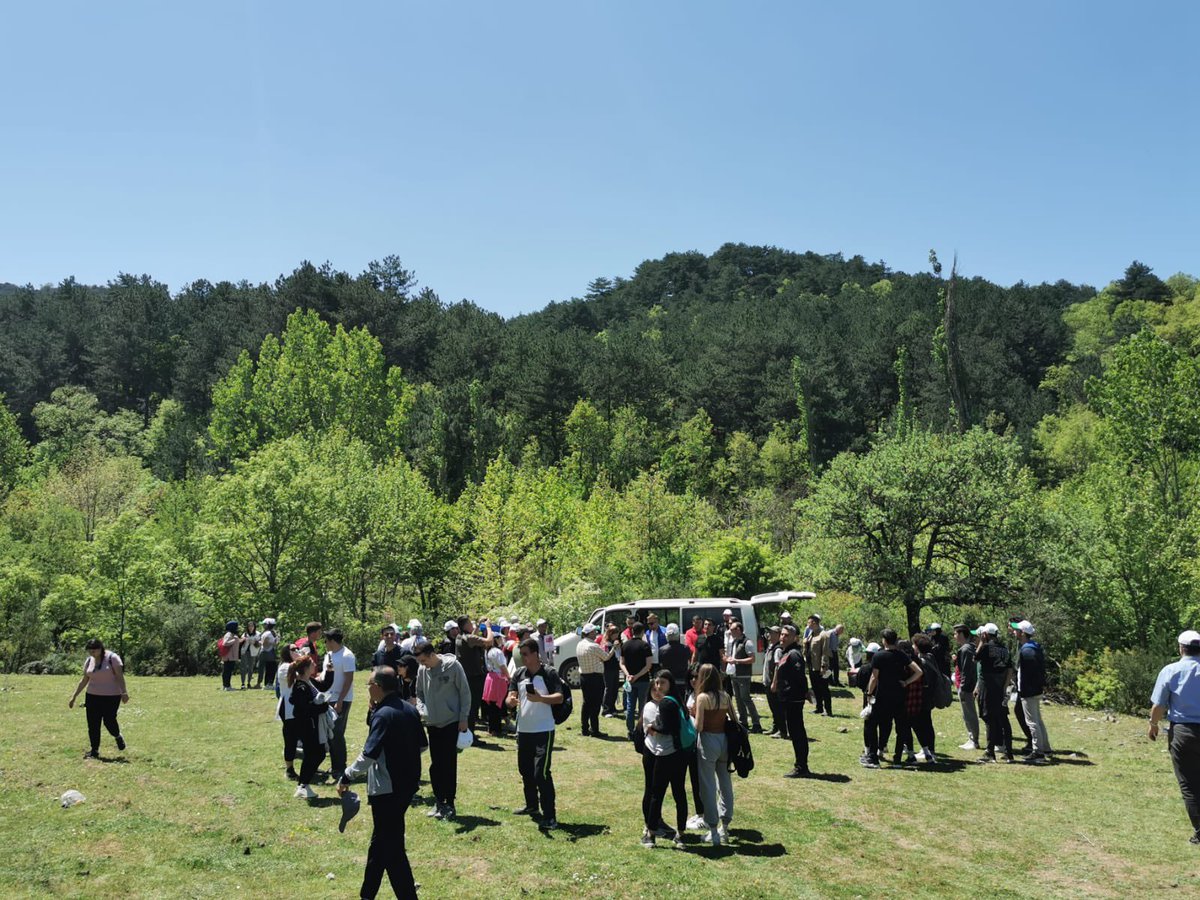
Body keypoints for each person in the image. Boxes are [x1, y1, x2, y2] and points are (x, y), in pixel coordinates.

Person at [338, 666, 424, 899]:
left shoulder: (383, 715)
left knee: (392, 849)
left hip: (387, 790)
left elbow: (369, 755)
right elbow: (422, 746)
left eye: (369, 684)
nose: (368, 689)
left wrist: (346, 776)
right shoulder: (409, 709)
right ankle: (367, 894)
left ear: (377, 687)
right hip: (407, 785)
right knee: (381, 842)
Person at [1148, 630, 1200, 845]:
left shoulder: (1171, 670)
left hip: (1183, 732)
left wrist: (1153, 725)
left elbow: (1159, 705)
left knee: (1189, 783)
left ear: (1181, 648)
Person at [507, 637, 564, 830]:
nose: (522, 658)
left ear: (535, 654)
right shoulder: (519, 674)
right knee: (526, 770)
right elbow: (509, 697)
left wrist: (541, 698)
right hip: (524, 730)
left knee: (541, 773)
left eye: (525, 654)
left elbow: (559, 697)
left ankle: (550, 816)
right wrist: (510, 700)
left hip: (543, 730)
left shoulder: (549, 673)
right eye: (520, 654)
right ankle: (532, 805)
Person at [412, 638, 470, 821]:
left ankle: (450, 803)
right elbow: (419, 693)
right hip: (432, 724)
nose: (422, 665)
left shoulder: (453, 666)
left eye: (424, 660)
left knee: (448, 764)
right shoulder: (422, 670)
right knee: (436, 765)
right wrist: (421, 709)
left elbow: (465, 693)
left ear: (432, 655)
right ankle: (439, 801)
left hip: (451, 722)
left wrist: (463, 718)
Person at [640, 670, 689, 850]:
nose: (659, 688)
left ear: (670, 684)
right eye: (656, 684)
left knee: (662, 793)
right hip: (671, 753)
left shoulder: (669, 703)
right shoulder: (673, 703)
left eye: (663, 683)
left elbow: (664, 728)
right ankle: (672, 833)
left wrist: (653, 726)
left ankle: (655, 834)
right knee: (671, 793)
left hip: (669, 754)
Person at [863, 629, 923, 769]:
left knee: (872, 724)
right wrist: (906, 682)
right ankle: (897, 759)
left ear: (884, 640)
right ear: (895, 640)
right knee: (900, 728)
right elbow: (919, 671)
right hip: (899, 695)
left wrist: (869, 693)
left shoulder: (878, 656)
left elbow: (874, 677)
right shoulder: (901, 655)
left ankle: (873, 757)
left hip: (882, 696)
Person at [691, 663, 734, 845]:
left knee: (707, 785)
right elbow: (734, 719)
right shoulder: (725, 696)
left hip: (708, 740)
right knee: (725, 783)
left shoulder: (702, 697)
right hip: (724, 740)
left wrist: (692, 715)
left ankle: (713, 830)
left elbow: (699, 726)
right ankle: (725, 826)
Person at [69, 638, 129, 759]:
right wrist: (74, 696)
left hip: (111, 696)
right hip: (92, 696)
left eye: (94, 651)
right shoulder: (89, 660)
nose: (92, 653)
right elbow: (84, 679)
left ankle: (117, 736)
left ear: (101, 648)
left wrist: (124, 692)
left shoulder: (113, 658)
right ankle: (94, 750)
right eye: (90, 651)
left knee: (109, 721)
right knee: (93, 724)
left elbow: (120, 677)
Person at [288, 654, 332, 799]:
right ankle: (303, 785)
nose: (315, 665)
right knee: (315, 754)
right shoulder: (300, 686)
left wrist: (330, 671)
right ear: (306, 668)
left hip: (313, 725)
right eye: (312, 663)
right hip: (306, 726)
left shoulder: (309, 681)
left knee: (316, 753)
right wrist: (323, 707)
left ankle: (303, 784)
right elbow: (304, 708)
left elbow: (324, 686)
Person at [771, 624, 813, 777]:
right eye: (782, 634)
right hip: (788, 698)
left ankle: (801, 767)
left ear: (794, 638)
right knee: (795, 732)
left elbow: (800, 677)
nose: (782, 637)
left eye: (786, 635)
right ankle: (800, 765)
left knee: (797, 733)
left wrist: (803, 693)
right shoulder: (786, 652)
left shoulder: (794, 654)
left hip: (794, 699)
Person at [973, 623, 1015, 763]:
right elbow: (1010, 669)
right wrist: (1005, 686)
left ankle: (990, 752)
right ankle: (1009, 752)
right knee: (1003, 719)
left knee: (989, 718)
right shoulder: (1004, 649)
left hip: (988, 687)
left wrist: (981, 643)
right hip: (1000, 687)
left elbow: (975, 658)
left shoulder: (986, 647)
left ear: (985, 634)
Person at [1011, 620, 1052, 762]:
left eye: (1017, 630)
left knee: (1032, 722)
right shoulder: (1034, 647)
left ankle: (1038, 751)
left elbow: (1030, 673)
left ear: (1022, 633)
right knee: (1038, 721)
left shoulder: (1027, 650)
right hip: (1035, 689)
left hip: (1029, 690)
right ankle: (1046, 748)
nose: (1014, 632)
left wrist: (1025, 689)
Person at [320, 628, 356, 781]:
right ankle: (335, 766)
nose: (325, 643)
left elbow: (348, 679)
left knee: (337, 733)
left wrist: (340, 700)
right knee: (330, 733)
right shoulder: (329, 654)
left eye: (326, 640)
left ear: (333, 641)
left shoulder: (347, 655)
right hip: (328, 698)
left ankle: (341, 768)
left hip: (341, 699)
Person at [723, 621, 762, 732]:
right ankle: (743, 722)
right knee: (738, 700)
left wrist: (736, 661)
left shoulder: (747, 642)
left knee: (746, 698)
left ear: (739, 630)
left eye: (732, 630)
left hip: (743, 675)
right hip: (734, 674)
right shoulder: (735, 641)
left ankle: (756, 723)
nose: (730, 632)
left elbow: (752, 659)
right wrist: (728, 659)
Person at [576, 623, 613, 737]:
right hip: (595, 677)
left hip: (584, 676)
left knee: (586, 703)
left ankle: (585, 728)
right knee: (596, 704)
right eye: (594, 632)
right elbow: (606, 657)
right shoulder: (593, 646)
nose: (596, 633)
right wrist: (614, 648)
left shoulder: (580, 644)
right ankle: (594, 730)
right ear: (590, 633)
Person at [455, 616, 490, 734]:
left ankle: (468, 732)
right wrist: (489, 628)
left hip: (466, 676)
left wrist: (479, 625)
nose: (472, 625)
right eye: (470, 623)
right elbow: (489, 641)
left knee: (468, 706)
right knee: (473, 707)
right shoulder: (469, 638)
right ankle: (470, 734)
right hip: (474, 678)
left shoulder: (460, 637)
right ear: (465, 625)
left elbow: (473, 638)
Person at [909, 633, 939, 763]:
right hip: (930, 696)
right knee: (927, 723)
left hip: (923, 696)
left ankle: (928, 749)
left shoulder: (922, 661)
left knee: (922, 723)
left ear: (917, 646)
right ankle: (930, 749)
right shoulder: (931, 657)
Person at [622, 622, 653, 735]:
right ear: (642, 632)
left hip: (629, 680)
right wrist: (637, 676)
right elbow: (648, 665)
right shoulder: (645, 646)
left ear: (632, 631)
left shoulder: (625, 645)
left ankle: (630, 730)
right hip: (643, 680)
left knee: (630, 706)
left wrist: (628, 675)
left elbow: (622, 663)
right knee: (642, 707)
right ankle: (641, 730)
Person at [275, 643, 300, 780]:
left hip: (297, 706)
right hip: (288, 707)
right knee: (290, 738)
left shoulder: (295, 665)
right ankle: (289, 769)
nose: (297, 651)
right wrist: (302, 659)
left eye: (297, 648)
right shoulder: (284, 666)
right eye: (293, 649)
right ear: (286, 652)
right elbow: (297, 676)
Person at [953, 624, 980, 751]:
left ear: (961, 634)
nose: (954, 636)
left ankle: (974, 740)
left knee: (969, 714)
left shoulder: (966, 649)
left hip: (967, 687)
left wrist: (963, 687)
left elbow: (967, 670)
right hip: (967, 686)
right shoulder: (969, 648)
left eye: (955, 634)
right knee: (967, 714)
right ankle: (971, 738)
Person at [482, 630, 510, 737]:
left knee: (492, 705)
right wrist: (509, 677)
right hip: (498, 678)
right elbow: (502, 666)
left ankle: (492, 728)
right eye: (500, 638)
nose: (501, 640)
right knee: (497, 704)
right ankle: (496, 729)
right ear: (496, 640)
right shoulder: (497, 651)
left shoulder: (488, 651)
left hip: (490, 677)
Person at [804, 615, 833, 715]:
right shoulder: (811, 634)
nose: (807, 625)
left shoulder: (823, 635)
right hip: (812, 666)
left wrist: (823, 666)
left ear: (814, 623)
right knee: (815, 688)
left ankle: (828, 710)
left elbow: (825, 652)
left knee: (824, 689)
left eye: (809, 622)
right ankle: (819, 708)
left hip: (820, 667)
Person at [660, 623, 691, 708]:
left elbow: (661, 665)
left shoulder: (662, 650)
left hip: (668, 680)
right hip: (682, 680)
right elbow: (689, 662)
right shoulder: (685, 648)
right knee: (682, 704)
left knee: (668, 704)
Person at [762, 626, 786, 738]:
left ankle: (782, 730)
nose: (768, 635)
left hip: (773, 683)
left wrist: (774, 683)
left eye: (771, 633)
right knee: (773, 707)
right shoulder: (770, 647)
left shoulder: (778, 650)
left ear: (778, 635)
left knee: (778, 708)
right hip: (768, 682)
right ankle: (775, 727)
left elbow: (778, 667)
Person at [601, 623, 623, 718]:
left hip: (615, 668)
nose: (617, 636)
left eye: (617, 634)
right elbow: (606, 657)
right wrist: (613, 647)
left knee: (615, 688)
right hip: (608, 669)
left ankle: (612, 708)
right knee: (609, 688)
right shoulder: (606, 644)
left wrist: (618, 647)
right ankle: (606, 709)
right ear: (610, 634)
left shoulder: (616, 642)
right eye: (615, 634)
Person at [240, 620, 261, 690]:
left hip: (253, 653)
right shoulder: (245, 634)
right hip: (244, 652)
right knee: (243, 667)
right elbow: (240, 642)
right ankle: (243, 683)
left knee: (250, 668)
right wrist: (243, 640)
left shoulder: (258, 634)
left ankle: (249, 683)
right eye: (249, 626)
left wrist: (254, 642)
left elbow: (260, 644)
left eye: (252, 626)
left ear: (254, 627)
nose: (250, 627)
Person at [220, 620, 240, 691]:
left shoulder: (231, 634)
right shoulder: (229, 634)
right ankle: (227, 686)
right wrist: (234, 640)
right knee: (227, 672)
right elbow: (225, 643)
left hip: (231, 657)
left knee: (227, 671)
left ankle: (226, 685)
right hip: (229, 657)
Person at [259, 619, 279, 689]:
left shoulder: (269, 633)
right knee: (271, 668)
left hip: (268, 651)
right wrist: (273, 643)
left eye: (264, 624)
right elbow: (265, 643)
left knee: (269, 668)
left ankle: (268, 684)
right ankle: (269, 684)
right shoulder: (268, 633)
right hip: (268, 652)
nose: (263, 626)